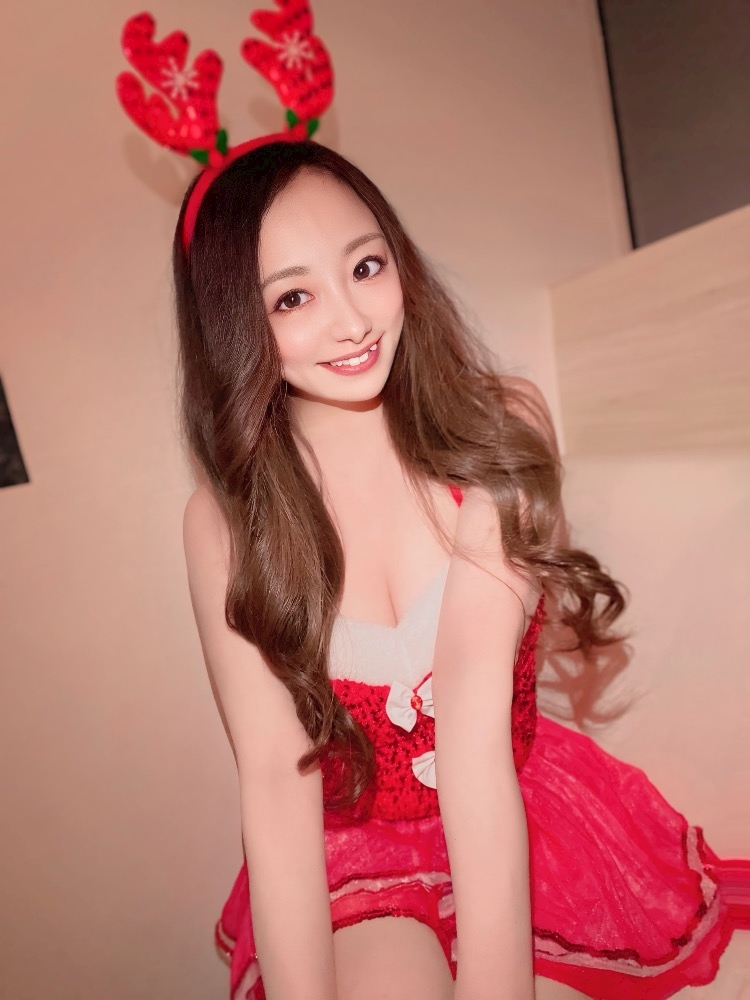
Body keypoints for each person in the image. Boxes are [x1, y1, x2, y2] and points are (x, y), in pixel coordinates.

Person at [178, 141, 747, 1000]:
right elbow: (274, 783)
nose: (352, 320)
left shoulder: (497, 428)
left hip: (521, 812)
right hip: (355, 854)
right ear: (234, 325)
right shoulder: (224, 522)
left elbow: (474, 749)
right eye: (293, 297)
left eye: (366, 266)